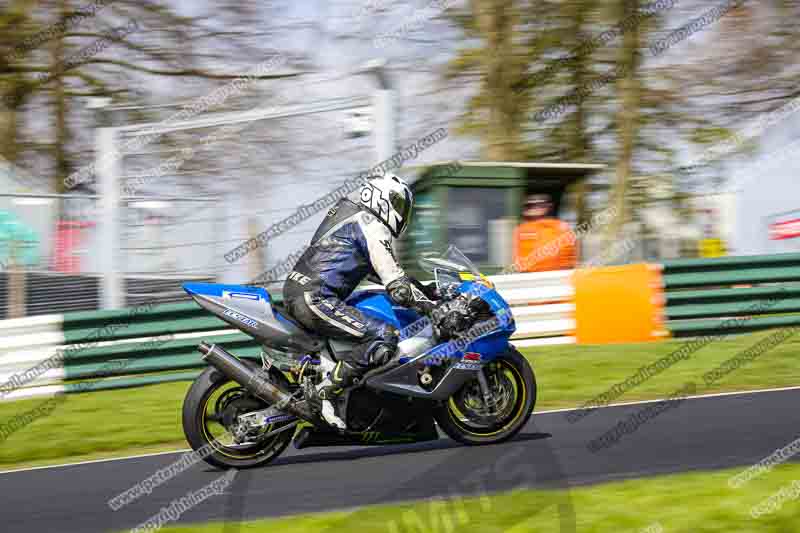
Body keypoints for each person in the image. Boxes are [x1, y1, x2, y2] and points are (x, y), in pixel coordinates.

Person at [283, 172, 442, 430]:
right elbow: (397, 288)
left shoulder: (354, 219)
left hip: (301, 292)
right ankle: (326, 392)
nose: (402, 213)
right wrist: (432, 308)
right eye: (399, 205)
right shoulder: (372, 226)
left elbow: (389, 273)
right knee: (383, 335)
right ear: (382, 200)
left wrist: (428, 291)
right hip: (315, 298)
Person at [512, 194, 577, 272]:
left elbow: (570, 254)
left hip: (557, 274)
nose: (534, 208)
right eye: (529, 205)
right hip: (529, 275)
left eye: (539, 204)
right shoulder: (521, 230)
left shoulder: (560, 226)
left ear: (548, 206)